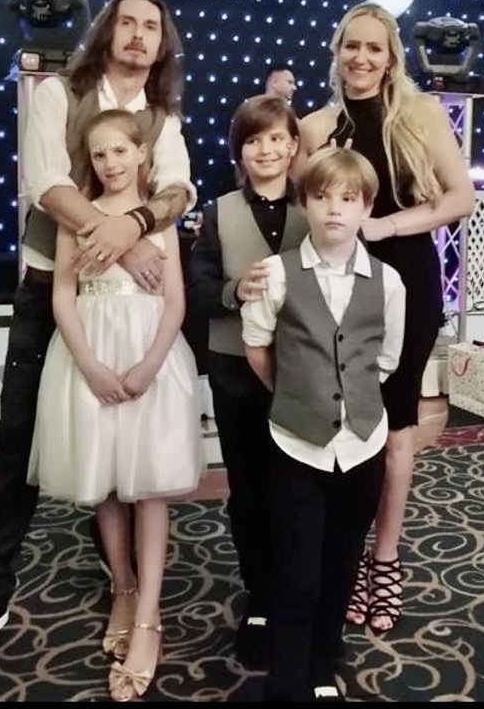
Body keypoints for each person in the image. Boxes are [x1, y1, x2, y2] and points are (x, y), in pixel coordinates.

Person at [0, 0, 197, 673]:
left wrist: (133, 228)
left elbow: (178, 191)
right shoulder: (59, 93)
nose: (138, 34)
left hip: (139, 301)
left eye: (151, 26)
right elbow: (47, 185)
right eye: (127, 22)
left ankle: (128, 581)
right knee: (16, 443)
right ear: (107, 31)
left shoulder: (163, 117)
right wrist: (112, 236)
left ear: (162, 43)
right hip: (55, 290)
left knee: (128, 449)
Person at [296, 1, 475, 635]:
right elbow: (300, 209)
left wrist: (391, 225)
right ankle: (345, 557)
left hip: (407, 283)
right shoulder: (315, 127)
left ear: (392, 56)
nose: (362, 57)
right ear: (337, 53)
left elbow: (461, 196)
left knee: (396, 427)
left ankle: (385, 559)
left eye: (375, 47)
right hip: (334, 287)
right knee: (343, 423)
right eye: (352, 45)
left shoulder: (421, 116)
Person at [28, 108, 204, 702]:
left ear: (142, 154)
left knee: (148, 486)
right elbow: (63, 297)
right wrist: (90, 365)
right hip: (92, 357)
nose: (110, 163)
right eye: (99, 153)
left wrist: (151, 362)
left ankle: (149, 614)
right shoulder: (75, 216)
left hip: (149, 356)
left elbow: (175, 301)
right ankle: (122, 586)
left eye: (120, 151)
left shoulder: (159, 220)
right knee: (104, 480)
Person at [242, 146, 406, 702]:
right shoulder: (276, 274)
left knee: (341, 563)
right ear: (304, 204)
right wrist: (297, 396)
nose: (335, 208)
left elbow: (386, 360)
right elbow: (258, 348)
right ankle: (286, 679)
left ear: (366, 208)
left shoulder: (388, 283)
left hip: (362, 446)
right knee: (297, 570)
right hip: (297, 446)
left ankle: (323, 664)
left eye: (348, 198)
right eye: (321, 196)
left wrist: (351, 401)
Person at [185, 95, 307, 669]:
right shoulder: (219, 212)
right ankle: (259, 593)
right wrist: (235, 291)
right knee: (249, 488)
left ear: (294, 145)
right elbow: (198, 290)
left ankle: (298, 588)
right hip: (235, 370)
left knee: (298, 487)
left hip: (304, 370)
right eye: (254, 140)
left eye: (277, 138)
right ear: (239, 150)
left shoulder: (317, 204)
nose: (267, 150)